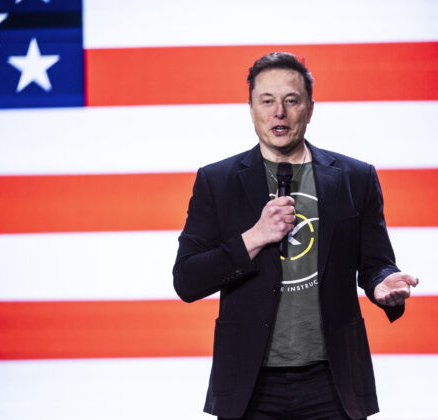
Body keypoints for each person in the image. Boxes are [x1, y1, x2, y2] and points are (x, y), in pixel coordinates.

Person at [172, 52, 418, 420]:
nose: (279, 113)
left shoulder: (355, 177)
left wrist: (383, 282)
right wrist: (255, 237)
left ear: (310, 108)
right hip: (249, 384)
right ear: (251, 109)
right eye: (267, 101)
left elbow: (375, 263)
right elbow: (187, 279)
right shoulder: (217, 181)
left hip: (333, 381)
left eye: (291, 100)